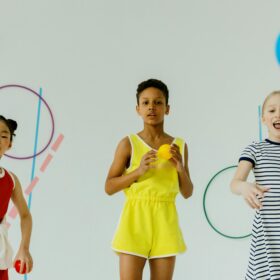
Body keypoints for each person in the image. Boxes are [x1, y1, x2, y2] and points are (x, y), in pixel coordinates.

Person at [105, 79, 193, 280]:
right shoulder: (128, 144)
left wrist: (179, 167)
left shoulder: (179, 146)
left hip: (165, 221)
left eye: (158, 102)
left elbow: (187, 192)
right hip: (134, 220)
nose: (151, 107)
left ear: (167, 108)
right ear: (138, 109)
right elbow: (109, 187)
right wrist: (137, 172)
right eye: (145, 103)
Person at [231, 90, 280, 280]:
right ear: (263, 118)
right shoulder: (255, 149)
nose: (278, 115)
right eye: (272, 110)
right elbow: (235, 183)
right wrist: (245, 188)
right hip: (269, 236)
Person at [0, 115, 33, 280]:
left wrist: (24, 248)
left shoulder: (10, 180)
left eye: (4, 136)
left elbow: (25, 216)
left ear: (10, 144)